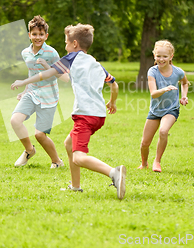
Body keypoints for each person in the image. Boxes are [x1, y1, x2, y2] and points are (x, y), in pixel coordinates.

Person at [11, 24, 126, 200]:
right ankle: (75, 186)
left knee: (79, 157)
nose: (64, 46)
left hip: (85, 116)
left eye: (66, 43)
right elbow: (113, 84)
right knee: (69, 144)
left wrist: (23, 81)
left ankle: (114, 173)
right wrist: (112, 102)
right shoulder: (93, 62)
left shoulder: (71, 58)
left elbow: (45, 75)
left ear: (74, 43)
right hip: (98, 115)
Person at [11, 16, 67, 168]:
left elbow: (65, 77)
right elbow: (32, 73)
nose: (38, 37)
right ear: (29, 35)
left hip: (49, 97)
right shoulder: (26, 53)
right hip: (32, 92)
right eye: (34, 34)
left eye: (41, 34)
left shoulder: (51, 53)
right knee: (15, 121)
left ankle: (57, 161)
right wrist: (25, 90)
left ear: (46, 36)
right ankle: (29, 150)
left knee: (39, 135)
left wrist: (47, 66)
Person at [138, 40, 189, 172]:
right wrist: (165, 89)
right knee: (145, 143)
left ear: (171, 57)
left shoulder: (178, 72)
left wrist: (184, 96)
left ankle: (157, 161)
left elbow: (185, 83)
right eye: (158, 56)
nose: (161, 59)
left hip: (171, 109)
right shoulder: (152, 71)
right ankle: (144, 163)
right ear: (154, 55)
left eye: (165, 56)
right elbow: (154, 94)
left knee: (163, 131)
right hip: (155, 110)